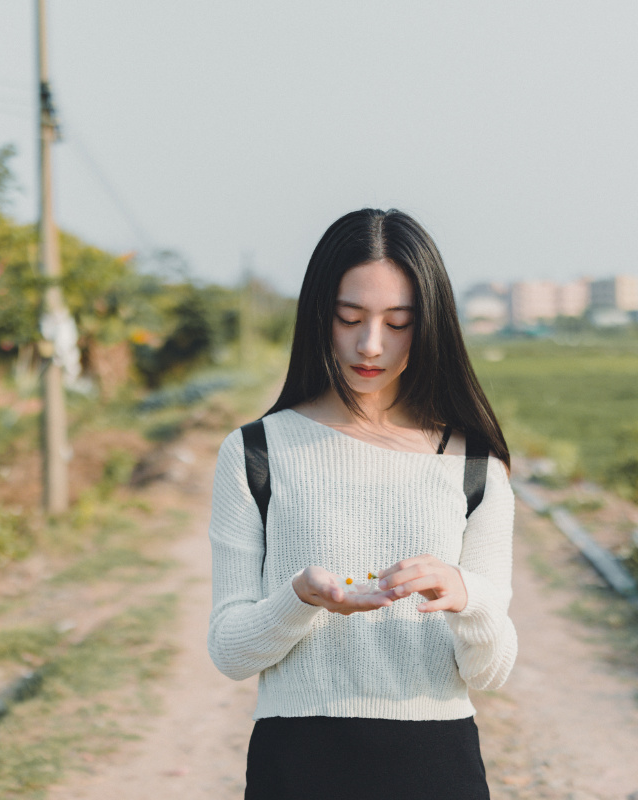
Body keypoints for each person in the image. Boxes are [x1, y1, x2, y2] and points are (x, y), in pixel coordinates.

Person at [207, 208, 518, 800]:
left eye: (398, 323)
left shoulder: (473, 465)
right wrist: (298, 599)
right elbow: (230, 651)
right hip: (296, 762)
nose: (369, 344)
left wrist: (465, 595)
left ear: (429, 327)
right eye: (349, 318)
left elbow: (492, 670)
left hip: (436, 763)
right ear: (319, 315)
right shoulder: (256, 452)